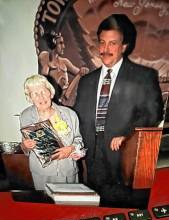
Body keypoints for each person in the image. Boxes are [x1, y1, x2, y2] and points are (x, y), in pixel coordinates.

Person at [74, 14, 164, 203]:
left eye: (112, 44)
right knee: (97, 206)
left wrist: (129, 136)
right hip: (92, 157)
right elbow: (78, 117)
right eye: (102, 43)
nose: (105, 50)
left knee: (123, 208)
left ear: (124, 46)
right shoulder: (86, 81)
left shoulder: (143, 77)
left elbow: (152, 114)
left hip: (125, 157)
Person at [20, 74, 86, 190]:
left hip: (67, 169)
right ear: (30, 98)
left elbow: (79, 140)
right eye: (35, 94)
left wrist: (71, 148)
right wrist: (25, 145)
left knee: (68, 206)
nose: (41, 97)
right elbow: (24, 146)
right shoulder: (25, 116)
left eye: (43, 92)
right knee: (45, 206)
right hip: (41, 172)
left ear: (50, 92)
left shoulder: (69, 114)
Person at [38, 32, 89, 106]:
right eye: (60, 43)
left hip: (66, 97)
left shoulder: (64, 62)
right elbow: (43, 78)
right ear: (53, 44)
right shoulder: (44, 56)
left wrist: (83, 71)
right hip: (54, 98)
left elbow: (79, 72)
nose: (63, 46)